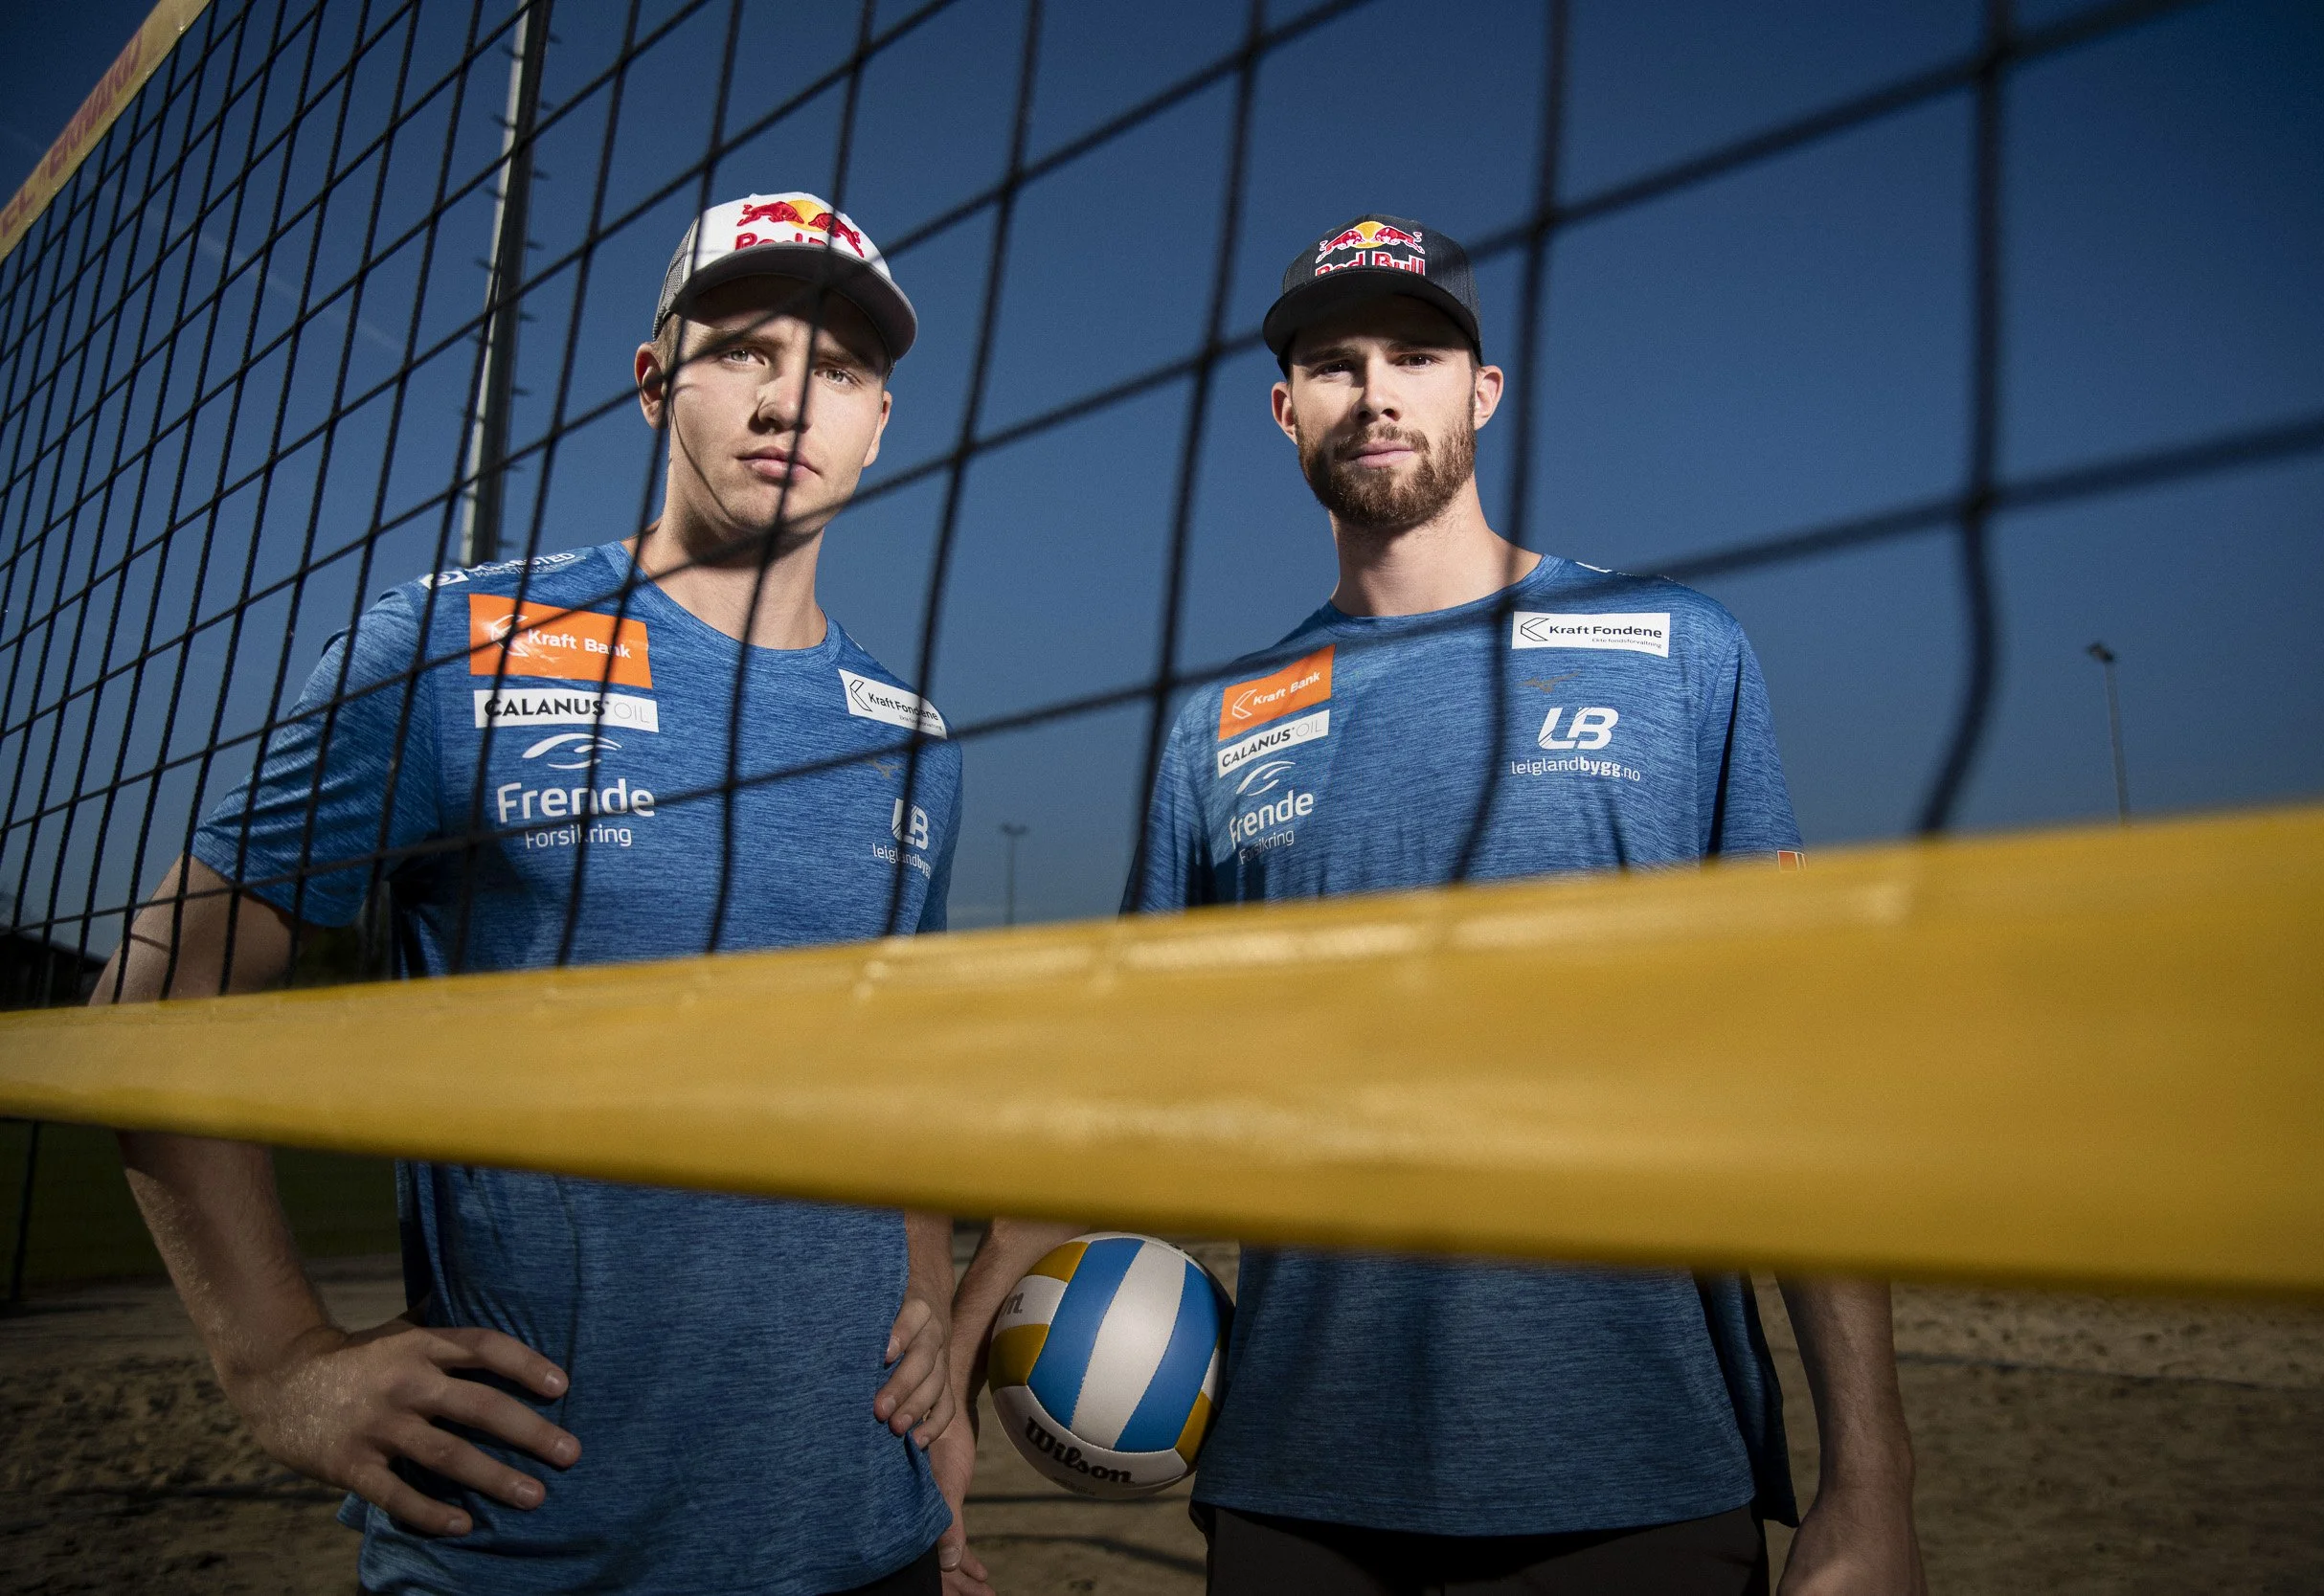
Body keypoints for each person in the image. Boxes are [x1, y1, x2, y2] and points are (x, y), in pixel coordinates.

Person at [949, 215, 1925, 1595]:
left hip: (1639, 1471)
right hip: (1302, 1490)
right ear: (1288, 412)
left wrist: (1871, 1481)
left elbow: (1806, 1077)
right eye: (1336, 363)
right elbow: (1120, 1086)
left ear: (1484, 390)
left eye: (1417, 352)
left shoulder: (1681, 654)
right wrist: (954, 1350)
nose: (1378, 390)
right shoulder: (1218, 726)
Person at [94, 191, 968, 1596]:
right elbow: (149, 999)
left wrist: (925, 1284)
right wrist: (280, 1363)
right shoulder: (453, 647)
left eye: (841, 370)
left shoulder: (913, 736)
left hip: (867, 1533)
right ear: (652, 382)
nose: (790, 397)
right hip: (533, 1548)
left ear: (880, 423)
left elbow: (898, 1076)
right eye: (743, 348)